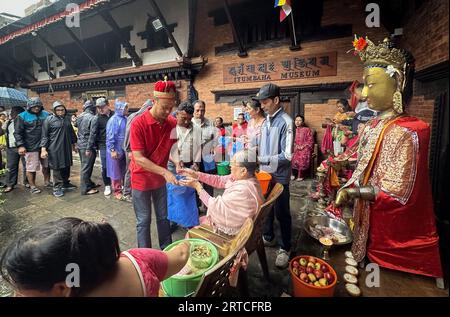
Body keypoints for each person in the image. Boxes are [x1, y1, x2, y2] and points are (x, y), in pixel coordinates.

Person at [335, 36, 443, 278]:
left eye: (370, 85)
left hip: (392, 227)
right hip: (365, 214)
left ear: (398, 82)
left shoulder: (411, 130)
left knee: (384, 278)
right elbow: (359, 158)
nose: (362, 94)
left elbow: (397, 192)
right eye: (364, 85)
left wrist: (353, 192)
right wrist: (337, 162)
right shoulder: (372, 125)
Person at [0, 217, 190, 297]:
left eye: (21, 293)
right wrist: (188, 241)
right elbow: (180, 255)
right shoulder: (136, 259)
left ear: (61, 288)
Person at [129, 79, 178, 249]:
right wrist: (165, 172)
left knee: (163, 217)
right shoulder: (138, 124)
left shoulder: (172, 122)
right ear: (154, 101)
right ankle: (145, 256)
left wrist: (178, 163)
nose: (167, 111)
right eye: (164, 106)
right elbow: (139, 158)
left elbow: (173, 149)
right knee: (143, 220)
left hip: (159, 181)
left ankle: (166, 250)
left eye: (171, 107)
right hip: (141, 179)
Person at [253, 83, 294, 269]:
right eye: (260, 103)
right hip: (265, 175)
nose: (262, 106)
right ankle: (268, 236)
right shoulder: (267, 121)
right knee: (266, 209)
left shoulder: (286, 121)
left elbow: (287, 156)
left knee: (282, 212)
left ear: (276, 100)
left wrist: (261, 158)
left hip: (280, 176)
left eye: (265, 102)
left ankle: (286, 247)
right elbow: (262, 145)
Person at [180, 149, 264, 236]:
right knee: (196, 221)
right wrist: (196, 174)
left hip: (234, 234)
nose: (230, 165)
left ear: (243, 171)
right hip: (239, 226)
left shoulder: (243, 190)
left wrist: (198, 187)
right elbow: (219, 180)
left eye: (234, 163)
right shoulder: (245, 178)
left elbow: (215, 206)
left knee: (191, 233)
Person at [40, 101, 78, 197]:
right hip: (54, 148)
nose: (60, 111)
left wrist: (74, 145)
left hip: (66, 146)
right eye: (58, 110)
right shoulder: (48, 120)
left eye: (62, 109)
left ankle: (65, 183)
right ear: (54, 110)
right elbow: (44, 136)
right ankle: (57, 187)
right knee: (57, 167)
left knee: (67, 165)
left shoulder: (66, 119)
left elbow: (71, 133)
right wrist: (43, 149)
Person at [14, 97, 51, 194]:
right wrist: (21, 145)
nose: (37, 108)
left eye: (38, 106)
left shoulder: (46, 114)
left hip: (45, 145)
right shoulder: (22, 116)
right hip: (30, 146)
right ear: (29, 106)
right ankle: (32, 185)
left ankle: (47, 181)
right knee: (31, 167)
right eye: (34, 106)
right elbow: (17, 133)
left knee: (47, 165)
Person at [122, 99, 153, 202]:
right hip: (131, 149)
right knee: (130, 171)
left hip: (138, 149)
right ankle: (126, 193)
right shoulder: (135, 117)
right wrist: (128, 149)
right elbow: (128, 135)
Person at [192, 100, 216, 206]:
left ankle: (209, 206)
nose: (200, 113)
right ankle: (196, 206)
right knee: (195, 182)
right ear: (193, 111)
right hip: (193, 158)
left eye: (202, 110)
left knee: (208, 182)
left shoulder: (209, 122)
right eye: (197, 110)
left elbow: (215, 138)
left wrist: (213, 146)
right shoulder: (189, 122)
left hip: (207, 157)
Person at [168, 101, 200, 174]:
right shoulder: (169, 127)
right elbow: (166, 150)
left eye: (189, 119)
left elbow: (198, 148)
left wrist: (196, 163)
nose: (186, 122)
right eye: (183, 118)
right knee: (174, 184)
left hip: (190, 165)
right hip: (172, 166)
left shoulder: (197, 129)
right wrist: (177, 162)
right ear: (177, 114)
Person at [106, 100, 129, 200]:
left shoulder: (125, 118)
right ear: (121, 109)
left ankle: (123, 187)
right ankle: (117, 191)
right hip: (115, 149)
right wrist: (112, 150)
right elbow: (110, 136)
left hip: (123, 148)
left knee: (123, 169)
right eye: (126, 108)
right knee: (115, 171)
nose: (127, 109)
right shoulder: (113, 120)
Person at [2, 107, 28, 193]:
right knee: (11, 166)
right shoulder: (9, 122)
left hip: (23, 147)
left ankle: (27, 181)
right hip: (11, 147)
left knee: (26, 165)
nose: (11, 113)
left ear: (19, 113)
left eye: (13, 112)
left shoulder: (25, 121)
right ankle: (10, 184)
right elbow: (2, 131)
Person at [76, 100, 99, 195]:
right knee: (86, 168)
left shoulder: (80, 116)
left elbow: (76, 126)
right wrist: (89, 148)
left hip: (80, 144)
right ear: (93, 108)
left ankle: (89, 183)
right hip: (87, 146)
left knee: (85, 166)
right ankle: (85, 189)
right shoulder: (93, 118)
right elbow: (92, 134)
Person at [93, 98, 114, 196]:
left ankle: (118, 183)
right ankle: (107, 185)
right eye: (98, 107)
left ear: (108, 105)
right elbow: (94, 134)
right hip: (103, 144)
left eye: (102, 107)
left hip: (116, 144)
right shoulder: (97, 118)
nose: (100, 109)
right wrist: (92, 147)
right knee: (105, 166)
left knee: (117, 164)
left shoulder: (115, 115)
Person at [291, 115, 314, 181]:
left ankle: (300, 175)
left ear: (303, 122)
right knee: (290, 155)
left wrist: (303, 146)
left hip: (305, 148)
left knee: (302, 156)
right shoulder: (292, 130)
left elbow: (310, 140)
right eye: (296, 120)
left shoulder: (307, 130)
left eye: (299, 120)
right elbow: (291, 140)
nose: (297, 122)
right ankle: (292, 174)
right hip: (295, 147)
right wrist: (295, 145)